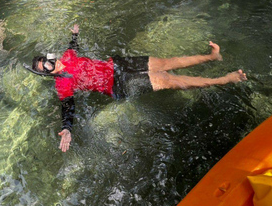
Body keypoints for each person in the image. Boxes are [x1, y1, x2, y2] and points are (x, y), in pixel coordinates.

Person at [27, 24, 247, 152]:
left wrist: (74, 34)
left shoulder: (66, 56)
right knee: (169, 80)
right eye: (45, 67)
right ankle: (224, 80)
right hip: (120, 85)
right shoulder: (62, 82)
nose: (49, 64)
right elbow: (68, 105)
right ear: (47, 74)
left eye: (46, 60)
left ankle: (211, 57)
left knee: (166, 63)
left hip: (118, 64)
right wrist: (67, 128)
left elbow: (72, 47)